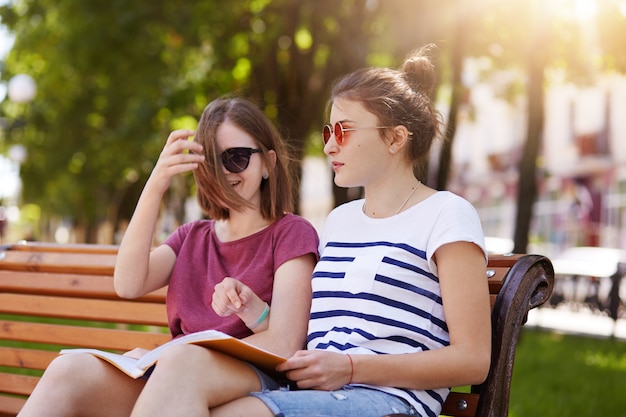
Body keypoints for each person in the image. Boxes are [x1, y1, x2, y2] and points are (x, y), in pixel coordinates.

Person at [210, 44, 491, 417]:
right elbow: (322, 333)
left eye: (342, 131)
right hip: (313, 394)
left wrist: (352, 368)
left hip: (391, 403)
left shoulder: (447, 214)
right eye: (329, 130)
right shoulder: (340, 221)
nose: (328, 145)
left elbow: (473, 359)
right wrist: (256, 312)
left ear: (394, 138)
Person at [17, 97, 319, 417]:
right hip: (175, 375)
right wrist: (157, 182)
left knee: (181, 363)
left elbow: (285, 344)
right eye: (213, 162)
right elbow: (128, 283)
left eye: (238, 157)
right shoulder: (192, 236)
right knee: (70, 369)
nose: (225, 172)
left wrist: (173, 351)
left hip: (253, 379)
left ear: (269, 163)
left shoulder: (291, 233)